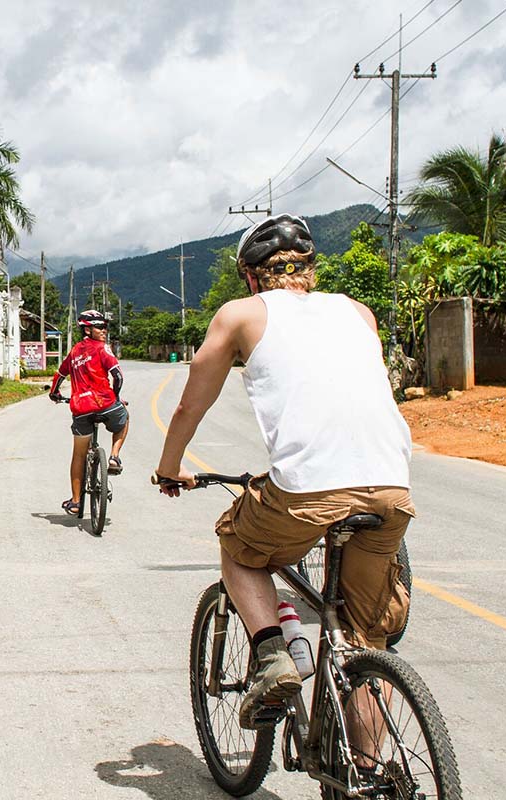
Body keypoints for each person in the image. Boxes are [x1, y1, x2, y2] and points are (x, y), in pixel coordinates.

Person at [154, 214, 413, 730]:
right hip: (391, 488)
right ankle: (368, 771)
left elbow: (188, 408)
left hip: (308, 492)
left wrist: (168, 468)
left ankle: (273, 657)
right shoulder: (359, 313)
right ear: (311, 269)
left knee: (239, 547)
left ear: (251, 277)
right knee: (365, 640)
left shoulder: (240, 315)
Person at [50, 309, 129, 515]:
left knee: (79, 454)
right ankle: (113, 457)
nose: (104, 330)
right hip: (106, 403)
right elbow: (118, 376)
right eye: (100, 327)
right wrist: (116, 397)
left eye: (105, 327)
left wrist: (54, 393)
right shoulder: (104, 349)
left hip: (81, 409)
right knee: (124, 418)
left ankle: (76, 502)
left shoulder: (75, 351)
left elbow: (60, 374)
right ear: (87, 329)